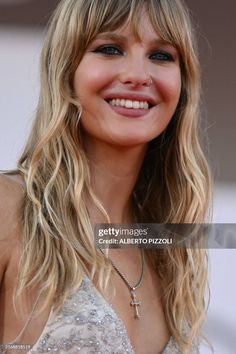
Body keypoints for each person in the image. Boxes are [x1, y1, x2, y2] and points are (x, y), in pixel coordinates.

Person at [0, 0, 212, 353]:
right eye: (110, 49)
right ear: (65, 69)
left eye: (161, 56)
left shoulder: (168, 250)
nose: (138, 75)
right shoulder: (9, 209)